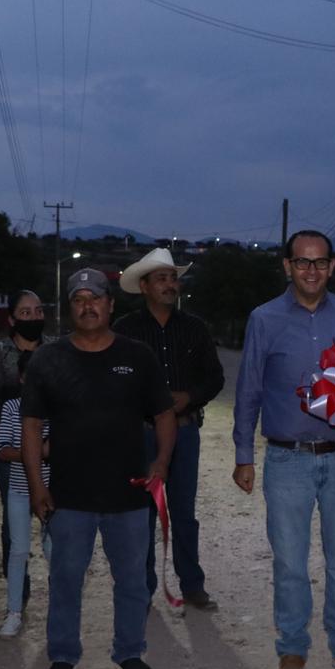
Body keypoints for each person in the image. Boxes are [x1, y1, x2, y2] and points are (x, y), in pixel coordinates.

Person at [232, 230, 335, 669]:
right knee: (290, 561)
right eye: (302, 262)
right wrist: (243, 453)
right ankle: (292, 649)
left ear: (333, 266)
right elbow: (249, 388)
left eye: (319, 262)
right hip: (287, 459)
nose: (311, 270)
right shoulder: (264, 318)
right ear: (287, 266)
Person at [22, 268, 175, 669]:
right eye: (78, 299)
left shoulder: (137, 356)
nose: (87, 306)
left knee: (130, 580)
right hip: (69, 496)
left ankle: (129, 651)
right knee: (66, 579)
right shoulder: (48, 359)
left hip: (128, 494)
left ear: (110, 304)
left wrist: (160, 463)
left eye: (96, 298)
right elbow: (31, 425)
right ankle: (64, 655)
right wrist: (37, 486)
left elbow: (164, 413)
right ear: (69, 308)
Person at [114, 247, 225, 612]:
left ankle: (192, 584)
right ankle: (143, 588)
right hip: (139, 434)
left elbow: (216, 378)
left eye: (173, 277)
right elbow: (112, 377)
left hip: (185, 431)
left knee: (184, 511)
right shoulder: (125, 331)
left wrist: (188, 397)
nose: (169, 284)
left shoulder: (194, 328)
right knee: (141, 513)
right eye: (161, 278)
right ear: (144, 286)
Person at [0, 290, 52, 613]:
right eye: (25, 312)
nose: (33, 317)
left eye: (38, 311)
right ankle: (18, 593)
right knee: (14, 525)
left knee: (56, 523)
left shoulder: (54, 349)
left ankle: (59, 589)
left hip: (52, 451)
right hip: (11, 448)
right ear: (11, 319)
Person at [0, 351, 50, 638]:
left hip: (53, 491)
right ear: (22, 377)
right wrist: (37, 453)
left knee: (54, 550)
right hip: (19, 489)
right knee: (18, 550)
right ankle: (14, 611)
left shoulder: (60, 409)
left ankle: (58, 612)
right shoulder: (11, 408)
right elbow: (2, 450)